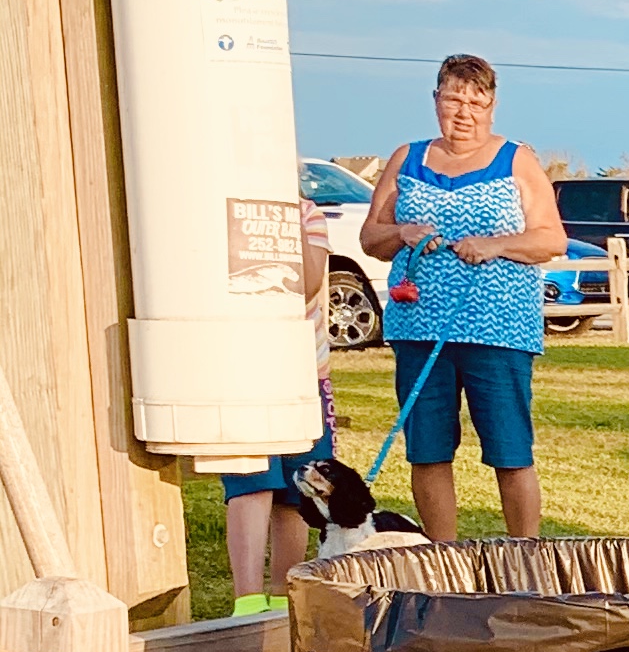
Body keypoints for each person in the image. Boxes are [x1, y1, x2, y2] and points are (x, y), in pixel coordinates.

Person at [360, 56, 566, 543]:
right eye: (454, 98)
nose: (464, 110)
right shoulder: (407, 158)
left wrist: (496, 245)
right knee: (427, 449)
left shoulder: (516, 159)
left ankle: (525, 553)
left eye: (476, 101)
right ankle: (443, 557)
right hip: (418, 327)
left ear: (492, 106)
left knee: (508, 447)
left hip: (497, 331)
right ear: (436, 101)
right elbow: (371, 237)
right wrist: (402, 232)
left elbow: (551, 240)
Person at [217, 197, 333, 611]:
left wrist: (285, 224)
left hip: (302, 372)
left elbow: (308, 281)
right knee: (250, 483)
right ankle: (247, 600)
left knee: (296, 492)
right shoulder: (217, 206)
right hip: (238, 370)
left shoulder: (308, 213)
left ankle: (285, 598)